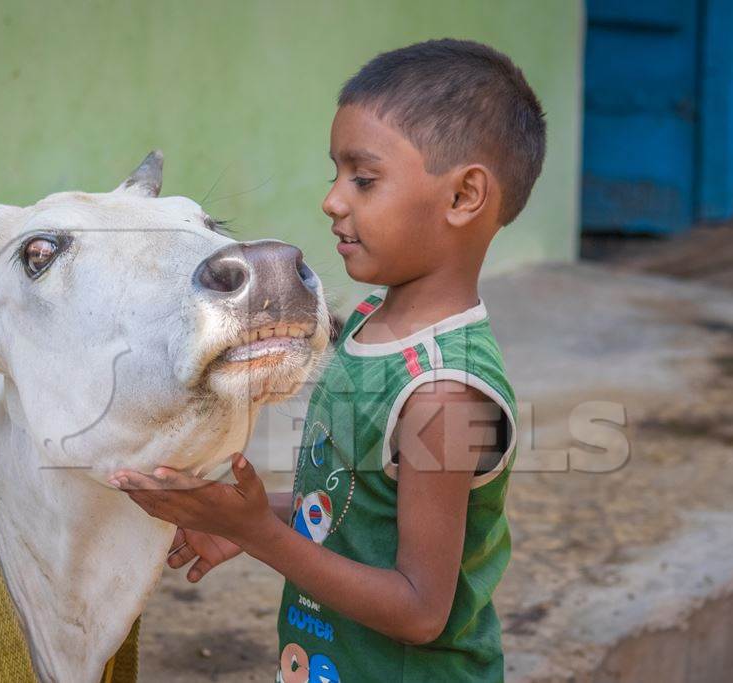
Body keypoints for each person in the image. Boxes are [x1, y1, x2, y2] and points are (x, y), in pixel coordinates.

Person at [110, 38, 545, 682]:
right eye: (335, 174)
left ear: (463, 198)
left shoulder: (444, 391)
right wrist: (244, 515)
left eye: (363, 179)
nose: (333, 200)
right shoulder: (369, 324)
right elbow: (356, 505)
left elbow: (421, 610)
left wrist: (263, 537)